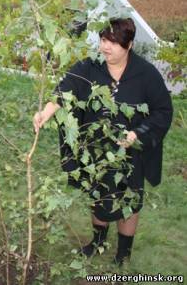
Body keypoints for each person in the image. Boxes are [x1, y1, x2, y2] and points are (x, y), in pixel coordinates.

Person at [33, 18, 173, 266]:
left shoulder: (146, 74)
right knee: (97, 194)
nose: (105, 47)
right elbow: (65, 90)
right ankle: (98, 242)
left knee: (128, 200)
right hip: (95, 149)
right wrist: (45, 113)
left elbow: (162, 110)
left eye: (113, 43)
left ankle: (123, 253)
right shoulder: (89, 67)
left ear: (129, 45)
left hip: (131, 153)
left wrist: (137, 134)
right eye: (103, 40)